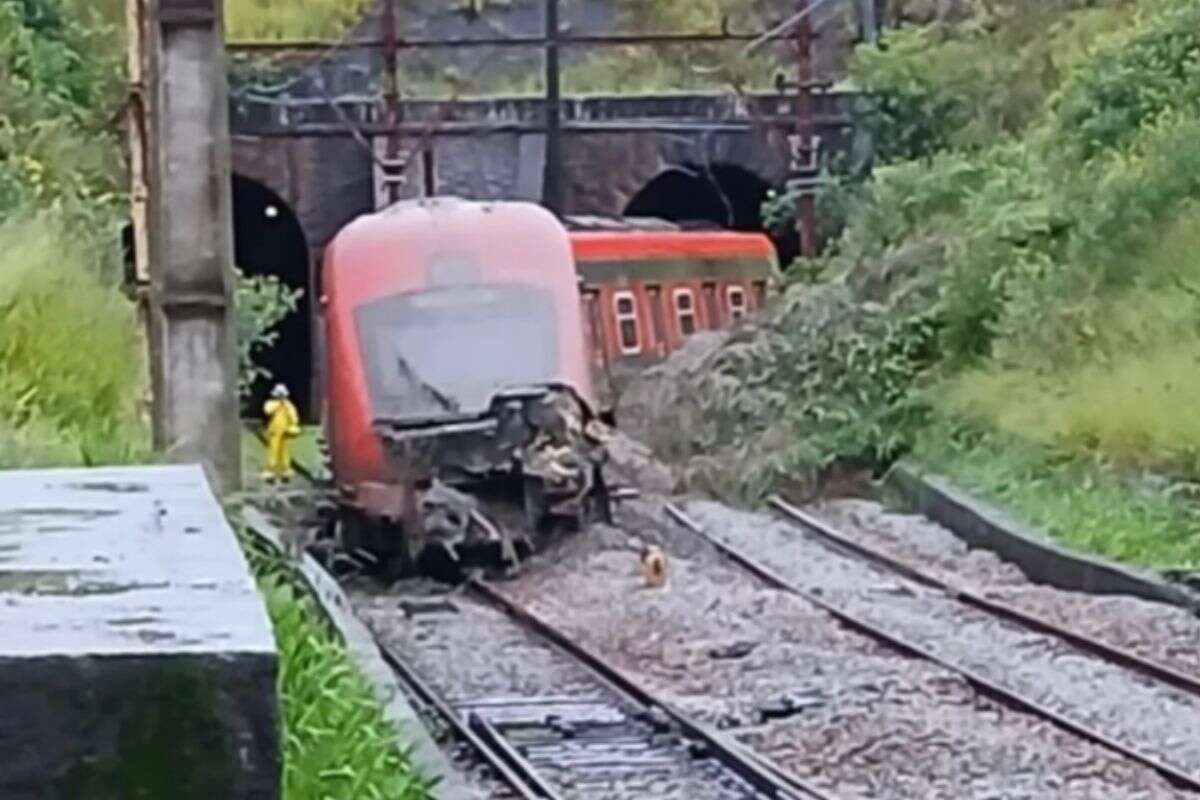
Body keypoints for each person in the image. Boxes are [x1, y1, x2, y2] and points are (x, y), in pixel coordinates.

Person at [262, 384, 301, 482]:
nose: (280, 396)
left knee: (286, 452)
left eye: (282, 395)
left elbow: (294, 416)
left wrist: (293, 424)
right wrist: (278, 404)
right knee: (273, 451)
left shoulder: (288, 405)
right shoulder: (271, 403)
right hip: (274, 432)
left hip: (286, 431)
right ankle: (270, 472)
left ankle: (285, 472)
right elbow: (267, 411)